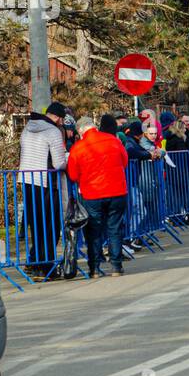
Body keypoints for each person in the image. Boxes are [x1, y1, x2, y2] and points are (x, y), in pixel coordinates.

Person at [67, 114, 129, 278]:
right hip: (117, 191)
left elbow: (73, 175)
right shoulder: (113, 140)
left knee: (93, 231)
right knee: (114, 228)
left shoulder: (78, 147)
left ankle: (94, 268)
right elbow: (124, 161)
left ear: (80, 131)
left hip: (92, 193)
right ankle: (116, 266)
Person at [17, 101, 69, 278]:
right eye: (62, 118)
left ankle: (34, 261)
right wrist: (69, 162)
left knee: (35, 224)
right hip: (46, 182)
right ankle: (46, 266)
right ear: (58, 117)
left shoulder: (27, 128)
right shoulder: (52, 131)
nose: (62, 122)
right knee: (50, 225)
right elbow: (58, 163)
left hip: (27, 180)